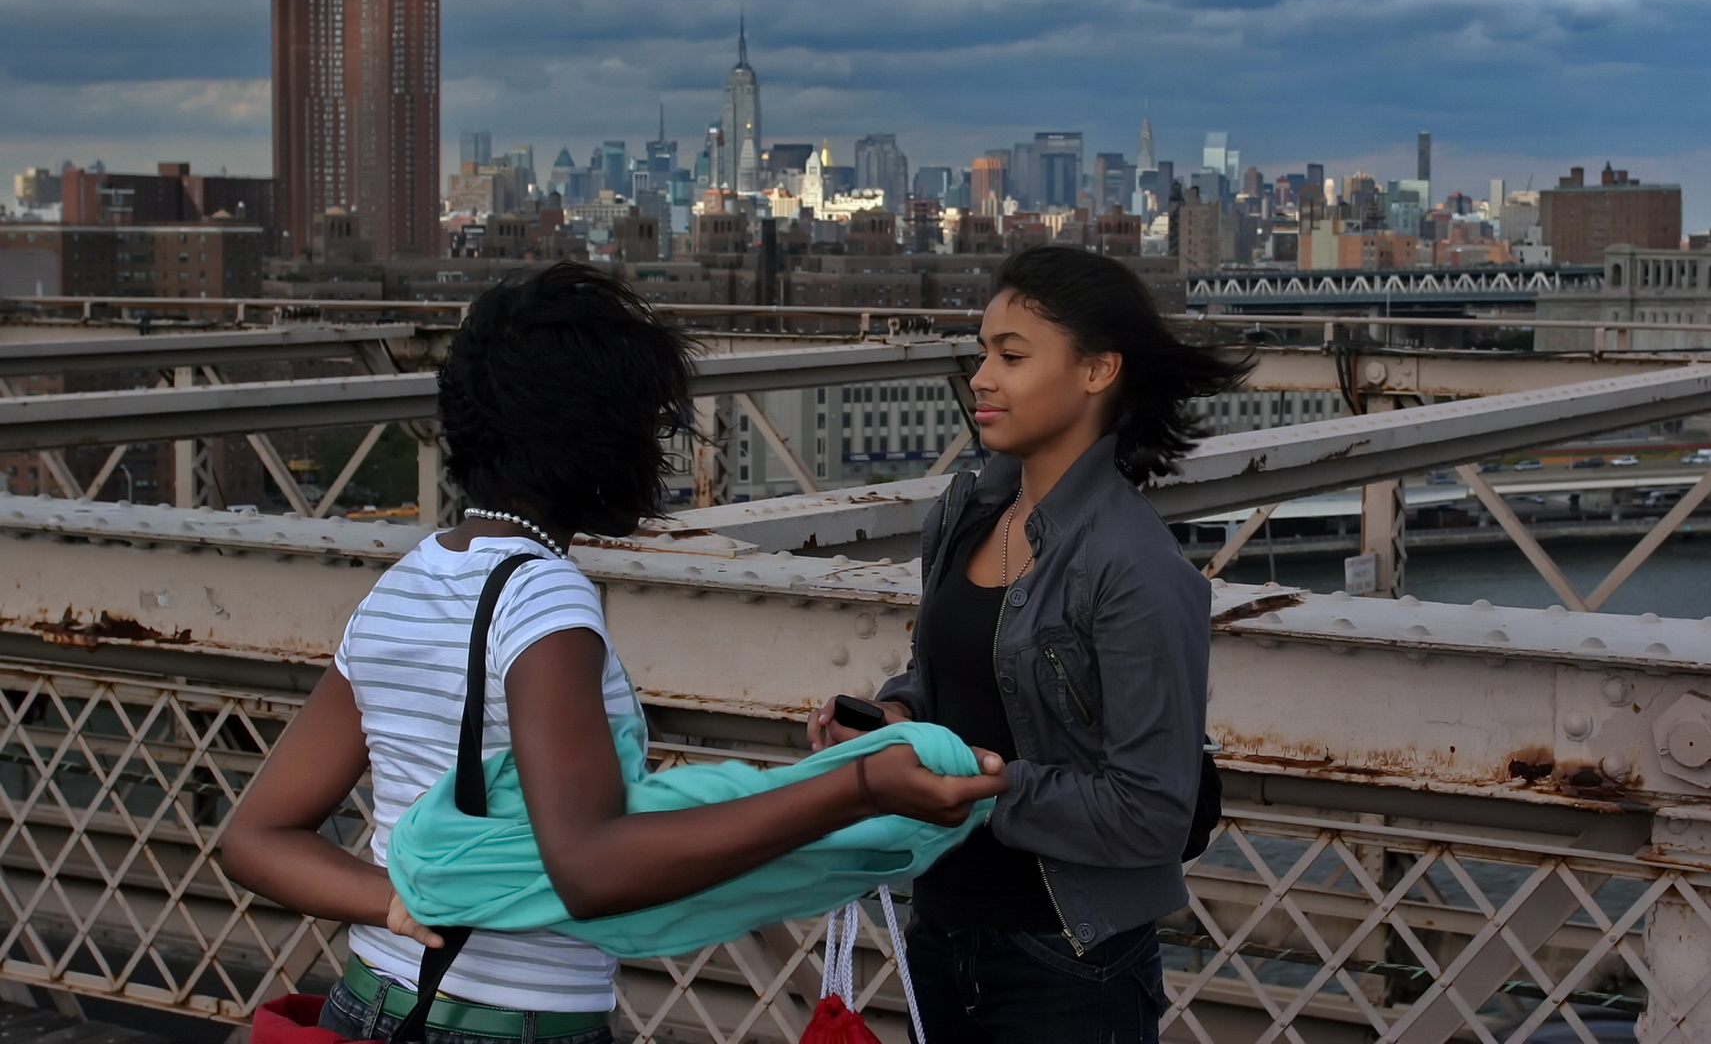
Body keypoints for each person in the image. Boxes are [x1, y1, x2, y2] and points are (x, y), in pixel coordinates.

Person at [222, 261, 1006, 1044]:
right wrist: (858, 786)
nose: (660, 452)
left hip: (369, 1004)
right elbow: (592, 867)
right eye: (649, 424)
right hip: (511, 1024)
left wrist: (394, 902)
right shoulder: (544, 601)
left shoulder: (404, 584)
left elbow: (255, 837)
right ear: (590, 439)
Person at [808, 245, 1245, 1044]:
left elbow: (1150, 811)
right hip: (940, 930)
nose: (980, 376)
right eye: (982, 353)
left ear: (1096, 371)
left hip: (1068, 959)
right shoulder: (966, 509)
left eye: (1010, 356)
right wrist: (892, 715)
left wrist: (980, 785)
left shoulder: (1135, 568)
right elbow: (950, 678)